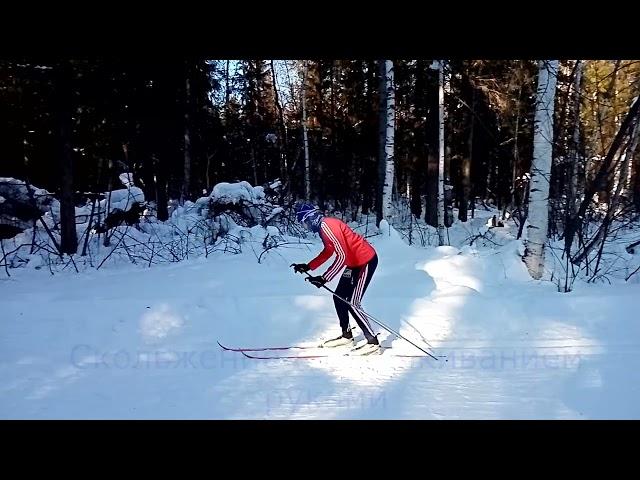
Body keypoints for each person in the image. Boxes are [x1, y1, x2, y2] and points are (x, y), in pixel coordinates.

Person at [291, 203, 380, 354]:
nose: (305, 226)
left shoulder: (327, 226)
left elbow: (342, 256)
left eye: (305, 222)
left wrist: (324, 278)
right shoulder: (323, 229)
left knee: (353, 302)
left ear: (311, 218)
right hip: (353, 263)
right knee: (339, 297)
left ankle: (372, 342)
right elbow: (328, 251)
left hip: (365, 261)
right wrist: (308, 266)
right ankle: (347, 336)